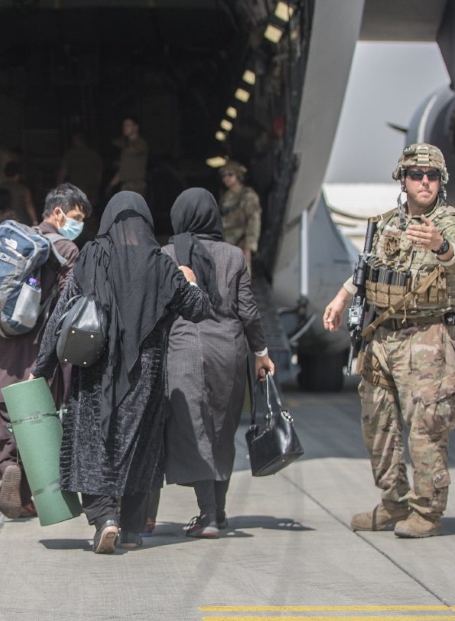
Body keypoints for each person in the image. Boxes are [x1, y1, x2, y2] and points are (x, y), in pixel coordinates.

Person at [33, 192, 209, 554]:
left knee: (91, 445)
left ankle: (103, 518)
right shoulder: (161, 264)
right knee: (139, 449)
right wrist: (189, 280)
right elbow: (198, 309)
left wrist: (43, 366)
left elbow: (63, 314)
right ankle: (129, 528)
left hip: (94, 371)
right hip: (145, 375)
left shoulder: (92, 257)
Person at [322, 143, 455, 539]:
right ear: (402, 180)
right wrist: (341, 299)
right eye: (416, 175)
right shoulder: (388, 222)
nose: (425, 182)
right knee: (379, 424)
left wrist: (439, 245)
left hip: (426, 337)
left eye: (433, 176)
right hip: (381, 339)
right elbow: (367, 269)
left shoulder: (448, 224)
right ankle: (393, 503)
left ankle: (427, 512)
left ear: (442, 182)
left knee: (426, 426)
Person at [0, 183, 91, 519]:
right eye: (76, 216)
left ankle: (6, 468)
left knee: (1, 410)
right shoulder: (67, 250)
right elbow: (68, 304)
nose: (78, 223)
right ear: (57, 212)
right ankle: (25, 487)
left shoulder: (11, 240)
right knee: (34, 418)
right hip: (37, 351)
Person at [162, 188, 274, 539]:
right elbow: (248, 311)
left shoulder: (167, 254)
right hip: (230, 350)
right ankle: (219, 512)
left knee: (193, 430)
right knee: (222, 430)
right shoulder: (234, 255)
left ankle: (208, 514)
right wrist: (261, 352)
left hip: (183, 350)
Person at [219, 161, 262, 269]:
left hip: (240, 242)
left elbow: (254, 219)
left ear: (238, 175)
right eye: (224, 175)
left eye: (230, 174)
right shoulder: (225, 197)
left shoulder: (247, 195)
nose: (226, 178)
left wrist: (249, 245)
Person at [58, 132, 103, 212]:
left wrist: (59, 185)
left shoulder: (70, 154)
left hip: (77, 186)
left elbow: (63, 171)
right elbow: (99, 171)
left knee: (76, 210)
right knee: (89, 210)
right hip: (91, 186)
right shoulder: (92, 154)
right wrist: (97, 185)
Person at [106, 117, 148, 198]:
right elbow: (123, 169)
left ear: (136, 127)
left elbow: (136, 150)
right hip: (125, 186)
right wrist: (111, 185)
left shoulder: (140, 142)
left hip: (136, 186)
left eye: (128, 125)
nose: (125, 127)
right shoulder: (125, 148)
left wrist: (122, 143)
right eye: (124, 125)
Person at [0, 161, 38, 226]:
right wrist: (35, 222)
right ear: (17, 175)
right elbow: (29, 205)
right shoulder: (23, 189)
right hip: (21, 223)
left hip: (2, 223)